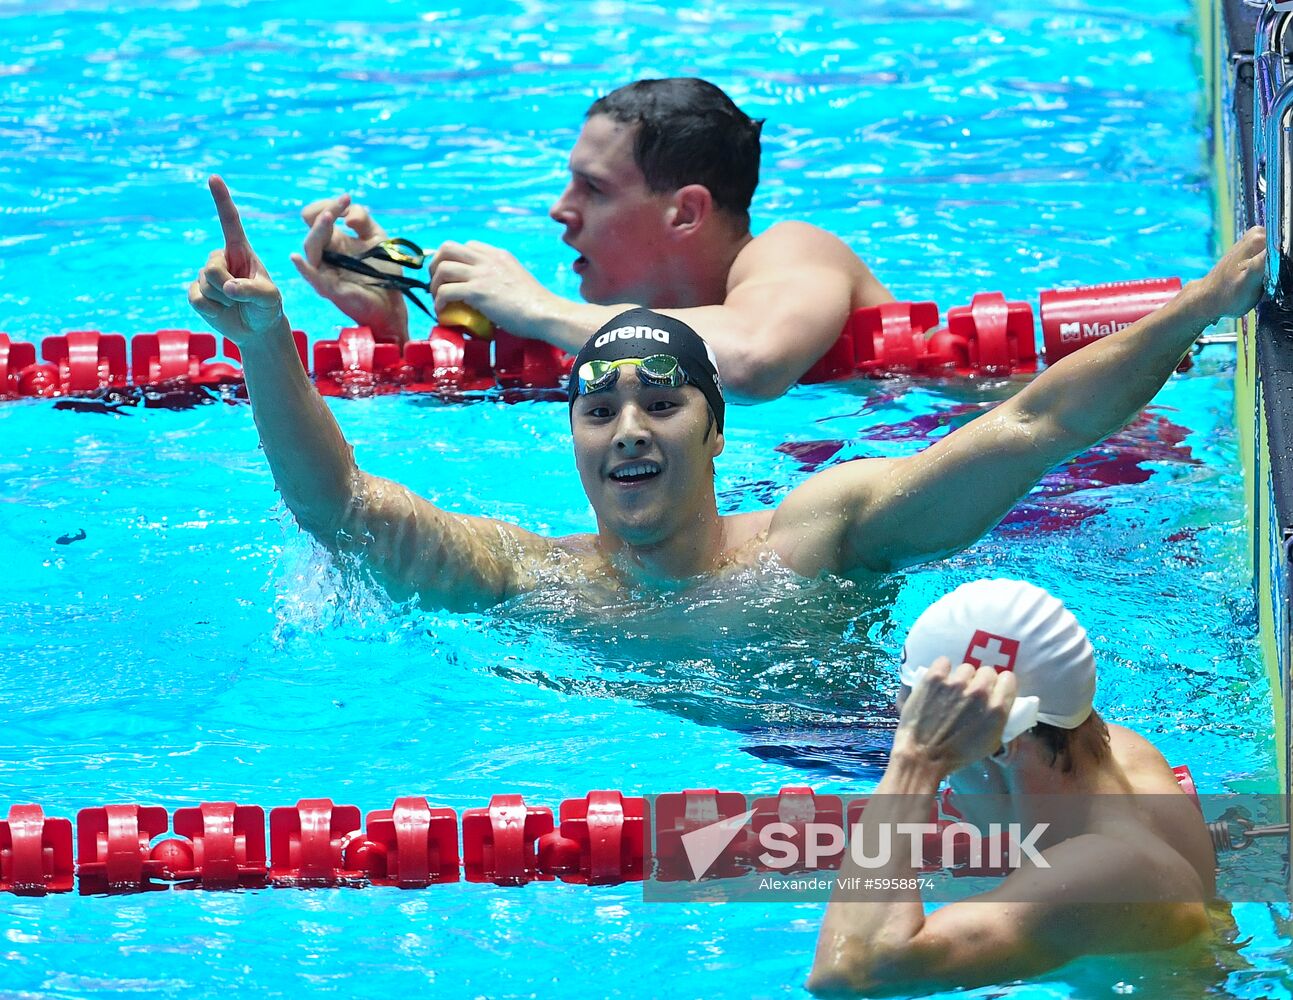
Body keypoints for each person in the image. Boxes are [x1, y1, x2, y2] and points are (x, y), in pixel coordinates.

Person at [189, 175, 1265, 613]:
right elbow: (338, 505)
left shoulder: (818, 535)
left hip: (848, 760)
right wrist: (268, 340)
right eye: (598, 409)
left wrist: (1200, 306)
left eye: (661, 401)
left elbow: (1034, 423)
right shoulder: (535, 581)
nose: (627, 428)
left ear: (713, 432)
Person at [288, 77, 894, 400]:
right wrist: (395, 342)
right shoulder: (653, 331)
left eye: (593, 188)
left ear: (685, 213)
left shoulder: (794, 249)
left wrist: (540, 310)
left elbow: (752, 363)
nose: (559, 211)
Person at [808, 579, 1219, 996]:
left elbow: (846, 976)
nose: (945, 788)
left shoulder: (1101, 871)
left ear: (1001, 747)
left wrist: (916, 762)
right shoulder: (1126, 752)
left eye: (945, 753)